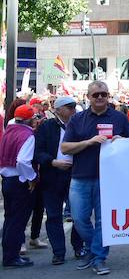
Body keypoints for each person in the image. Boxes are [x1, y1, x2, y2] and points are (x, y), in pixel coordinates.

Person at [61, 81, 129, 275]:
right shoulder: (77, 119)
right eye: (96, 95)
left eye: (104, 94)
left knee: (103, 221)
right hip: (80, 176)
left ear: (108, 95)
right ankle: (94, 249)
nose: (100, 97)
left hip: (109, 179)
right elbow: (65, 148)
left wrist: (123, 141)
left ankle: (99, 258)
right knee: (78, 219)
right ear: (88, 97)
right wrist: (88, 142)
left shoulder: (119, 117)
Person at [34, 96, 86, 266]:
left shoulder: (79, 125)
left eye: (74, 107)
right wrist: (53, 162)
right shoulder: (46, 127)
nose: (72, 110)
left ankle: (79, 247)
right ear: (57, 109)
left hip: (75, 173)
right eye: (69, 107)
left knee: (78, 214)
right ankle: (58, 252)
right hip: (52, 175)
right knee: (54, 215)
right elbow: (38, 152)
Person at [1, 105, 39, 269]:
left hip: (7, 179)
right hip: (19, 181)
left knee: (10, 219)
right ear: (30, 120)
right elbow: (23, 161)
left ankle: (9, 254)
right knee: (18, 220)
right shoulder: (27, 135)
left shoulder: (9, 130)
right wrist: (31, 177)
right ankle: (12, 257)